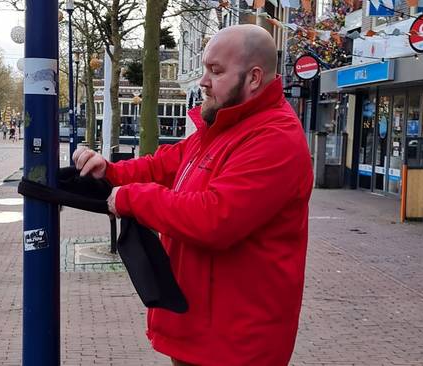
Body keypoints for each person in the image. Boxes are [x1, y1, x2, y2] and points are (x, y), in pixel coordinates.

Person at [72, 24, 313, 366]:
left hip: (237, 342)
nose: (203, 81)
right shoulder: (221, 128)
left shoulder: (275, 139)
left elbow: (215, 218)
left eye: (216, 71)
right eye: (204, 69)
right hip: (204, 328)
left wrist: (130, 199)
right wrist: (109, 172)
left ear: (254, 77)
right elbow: (165, 165)